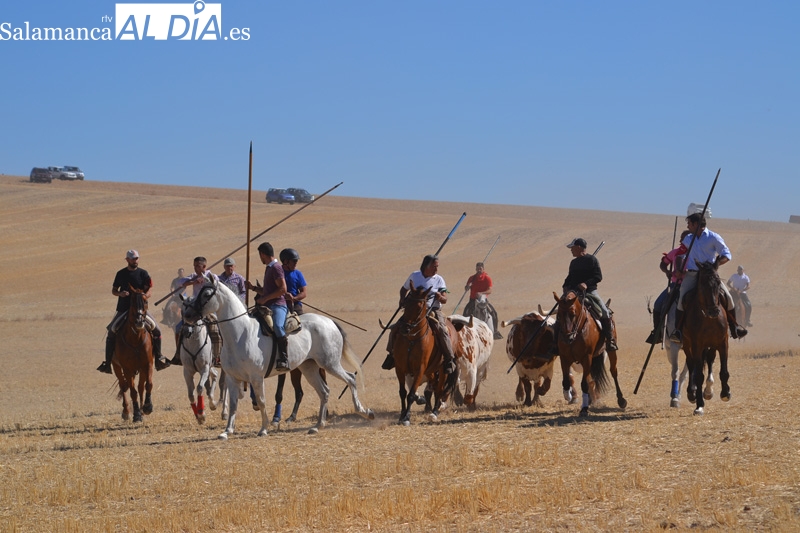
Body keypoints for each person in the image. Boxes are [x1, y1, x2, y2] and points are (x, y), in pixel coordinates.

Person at [669, 213, 747, 343]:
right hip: (693, 274)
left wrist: (716, 265)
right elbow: (679, 253)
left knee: (727, 297)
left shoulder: (713, 237)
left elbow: (726, 254)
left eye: (689, 223)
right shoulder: (688, 238)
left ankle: (734, 327)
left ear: (696, 224)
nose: (688, 226)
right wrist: (678, 268)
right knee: (682, 297)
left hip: (710, 275)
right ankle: (678, 331)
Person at [97, 250, 171, 374]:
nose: (135, 261)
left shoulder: (143, 273)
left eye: (136, 258)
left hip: (141, 310)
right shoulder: (120, 274)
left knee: (157, 329)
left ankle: (158, 358)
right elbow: (114, 290)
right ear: (127, 260)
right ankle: (107, 363)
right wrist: (120, 293)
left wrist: (145, 296)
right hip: (123, 309)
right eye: (132, 259)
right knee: (111, 331)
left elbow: (150, 289)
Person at [381, 254, 457, 374]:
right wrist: (402, 299)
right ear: (426, 266)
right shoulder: (415, 275)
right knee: (395, 328)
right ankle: (392, 355)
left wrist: (440, 297)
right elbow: (404, 289)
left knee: (442, 330)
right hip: (414, 310)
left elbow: (445, 299)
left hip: (433, 310)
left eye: (437, 266)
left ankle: (449, 359)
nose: (436, 269)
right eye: (434, 266)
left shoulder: (439, 279)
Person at [548, 238, 618, 357]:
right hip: (574, 293)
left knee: (605, 312)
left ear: (579, 247)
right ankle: (555, 344)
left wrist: (586, 283)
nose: (571, 250)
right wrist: (565, 286)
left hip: (590, 292)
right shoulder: (573, 263)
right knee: (562, 313)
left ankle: (610, 340)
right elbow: (569, 278)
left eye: (572, 248)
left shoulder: (592, 260)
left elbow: (598, 276)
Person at [246, 242, 290, 371]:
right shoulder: (269, 268)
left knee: (277, 326)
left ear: (263, 254)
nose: (260, 258)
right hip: (268, 306)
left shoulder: (276, 268)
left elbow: (282, 289)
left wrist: (265, 298)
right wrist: (253, 288)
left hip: (278, 305)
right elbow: (267, 290)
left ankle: (284, 357)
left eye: (260, 255)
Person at [170, 256, 220, 366]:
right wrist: (193, 281)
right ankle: (178, 354)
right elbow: (180, 282)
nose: (195, 268)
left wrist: (205, 280)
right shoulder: (193, 276)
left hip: (208, 309)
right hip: (194, 308)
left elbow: (216, 284)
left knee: (217, 329)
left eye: (198, 266)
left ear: (204, 266)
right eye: (194, 266)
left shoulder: (211, 276)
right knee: (179, 328)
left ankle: (218, 356)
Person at [647, 230, 691, 344]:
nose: (681, 241)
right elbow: (663, 264)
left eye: (684, 238)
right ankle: (657, 333)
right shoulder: (675, 252)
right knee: (658, 304)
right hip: (675, 285)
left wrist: (685, 272)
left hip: (691, 285)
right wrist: (667, 272)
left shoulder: (697, 253)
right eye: (681, 238)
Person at [463, 262, 503, 339]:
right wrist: (468, 286)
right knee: (465, 312)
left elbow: (490, 290)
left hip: (483, 300)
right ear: (475, 269)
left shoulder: (487, 278)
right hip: (473, 300)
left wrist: (481, 293)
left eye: (480, 269)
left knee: (493, 313)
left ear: (483, 269)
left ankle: (495, 331)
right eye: (477, 269)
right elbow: (466, 288)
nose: (479, 270)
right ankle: (463, 330)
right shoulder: (472, 278)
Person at [280, 248, 307, 315]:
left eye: (296, 261)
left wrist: (294, 298)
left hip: (295, 306)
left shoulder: (298, 274)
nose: (296, 263)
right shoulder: (277, 273)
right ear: (286, 261)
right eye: (294, 261)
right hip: (279, 304)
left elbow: (303, 292)